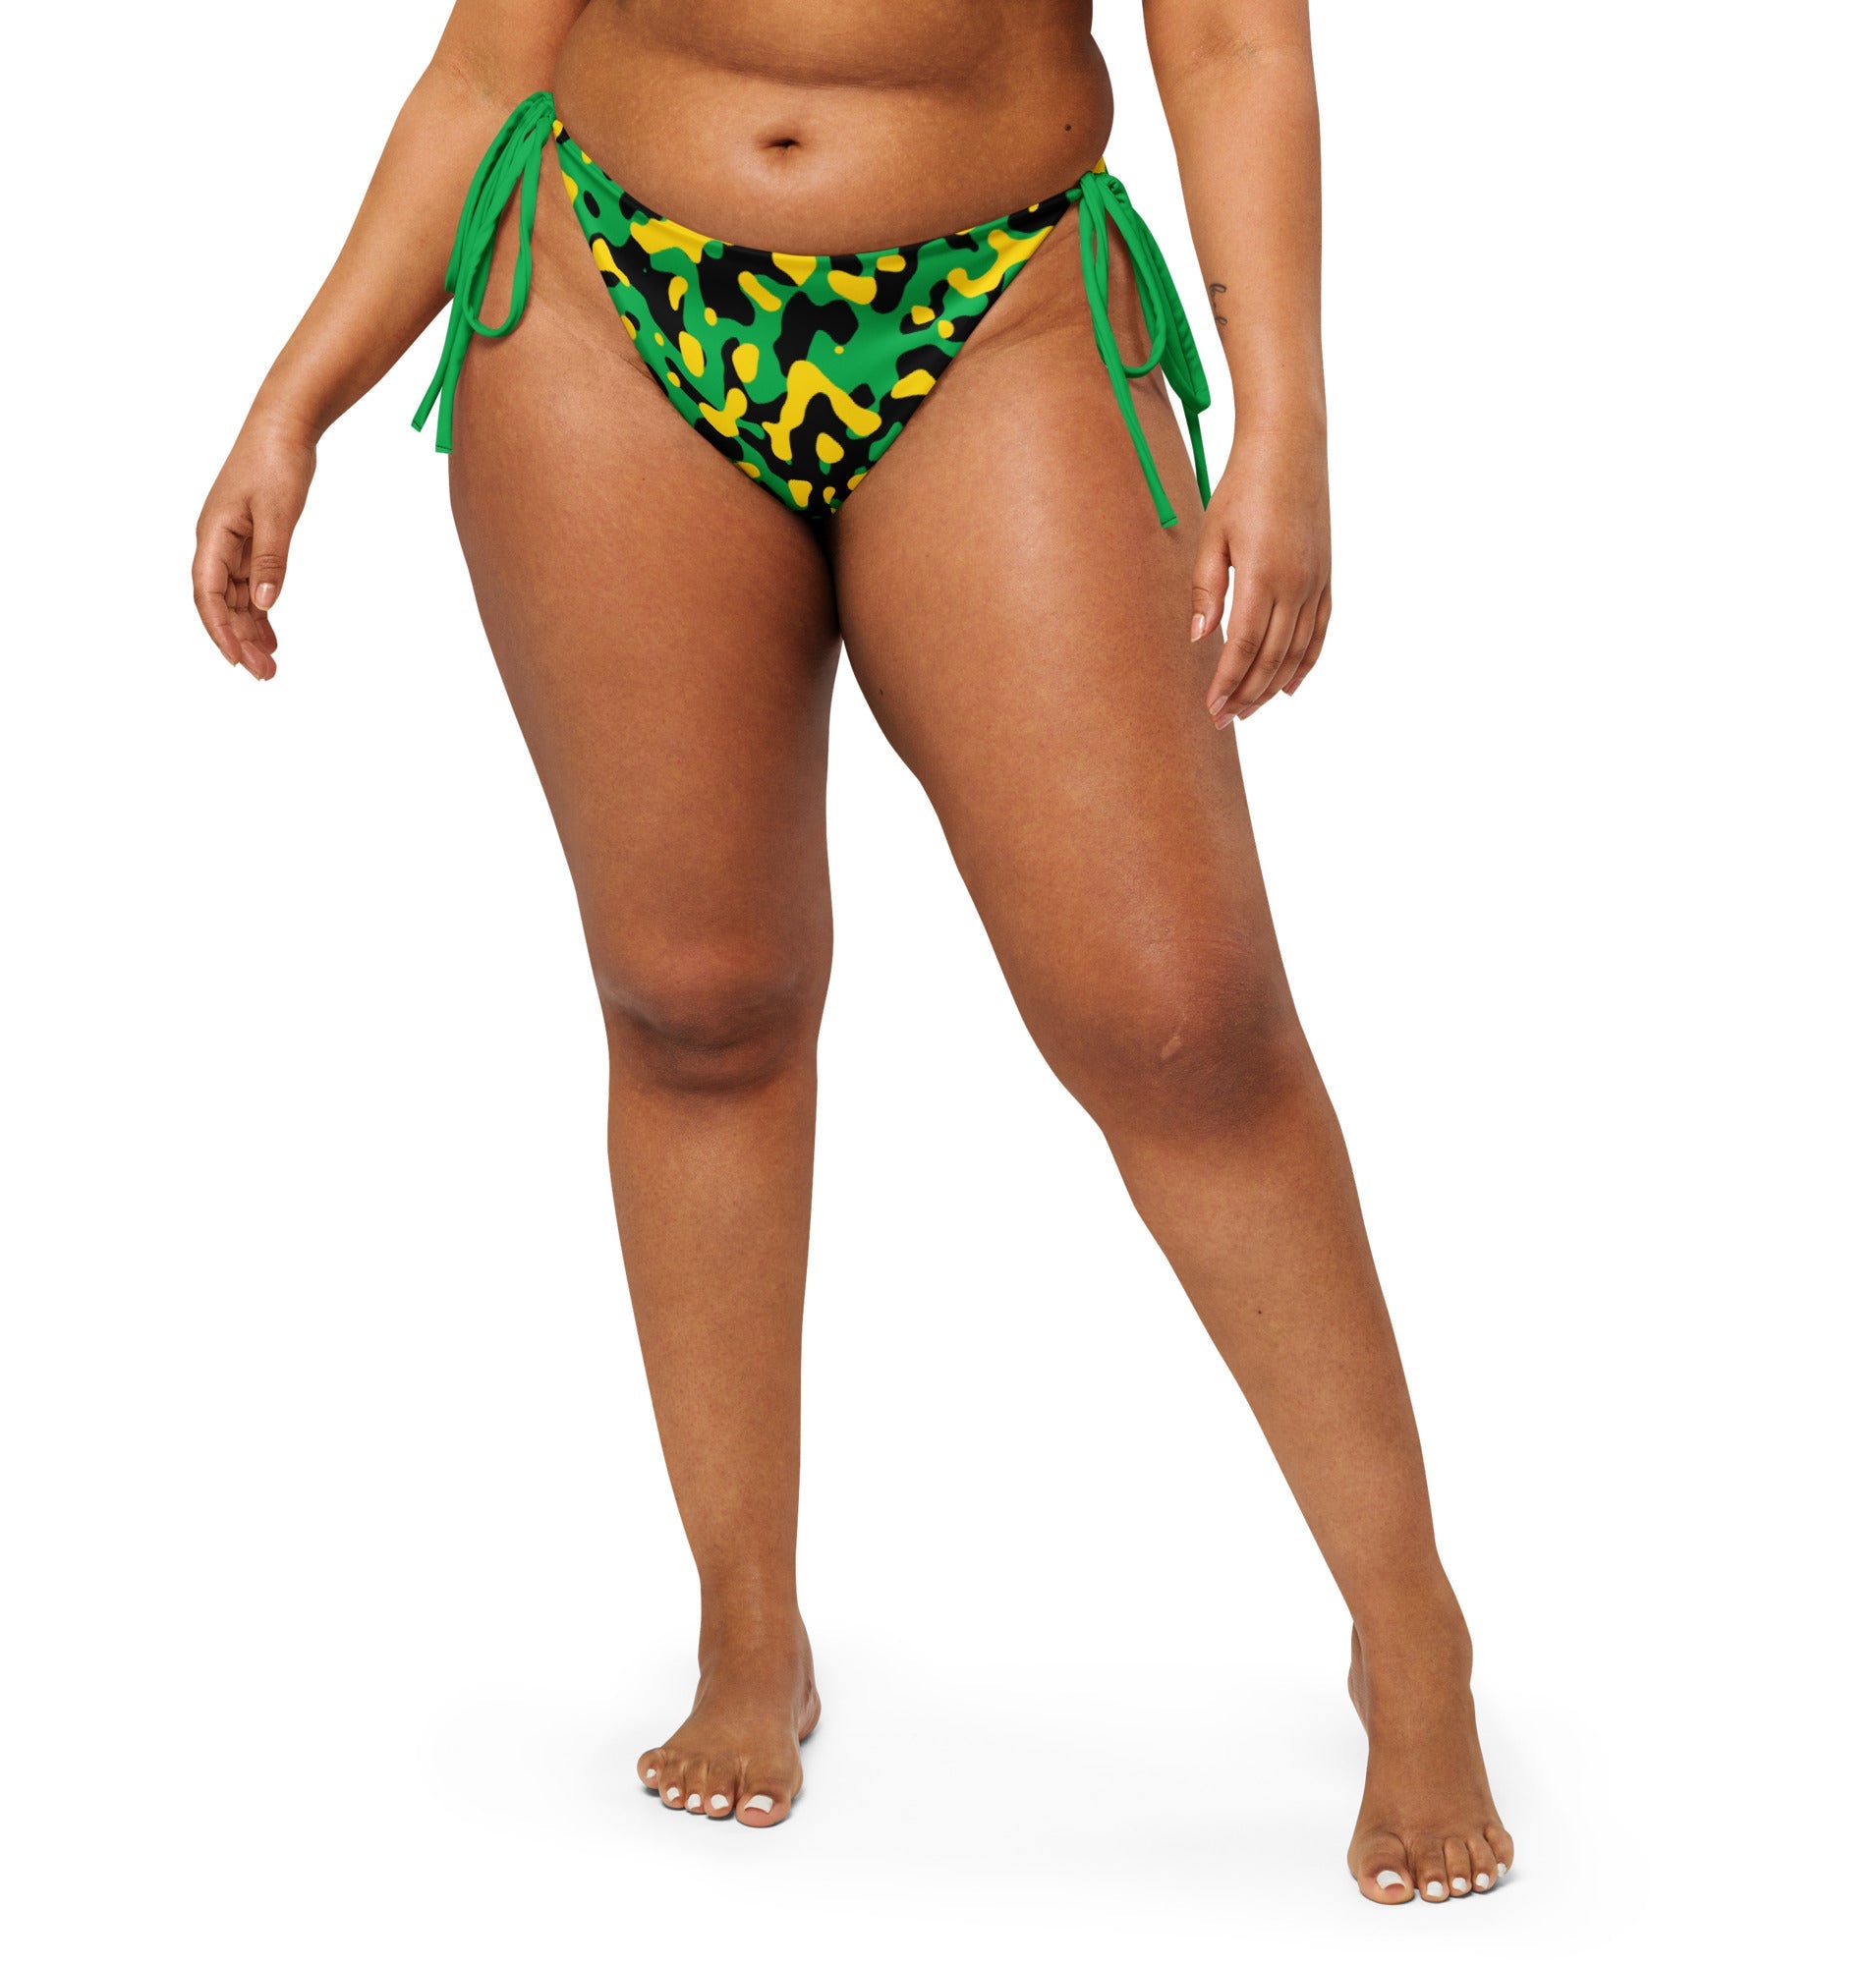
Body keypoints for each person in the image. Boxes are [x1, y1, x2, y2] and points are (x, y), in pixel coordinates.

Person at [193, 0, 1511, 1905]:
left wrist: (1284, 419)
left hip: (998, 314)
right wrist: (294, 398)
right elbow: (491, 57)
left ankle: (1411, 1632)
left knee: (1179, 1021)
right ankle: (747, 1628)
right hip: (599, 300)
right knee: (696, 1004)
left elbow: (1230, 40)